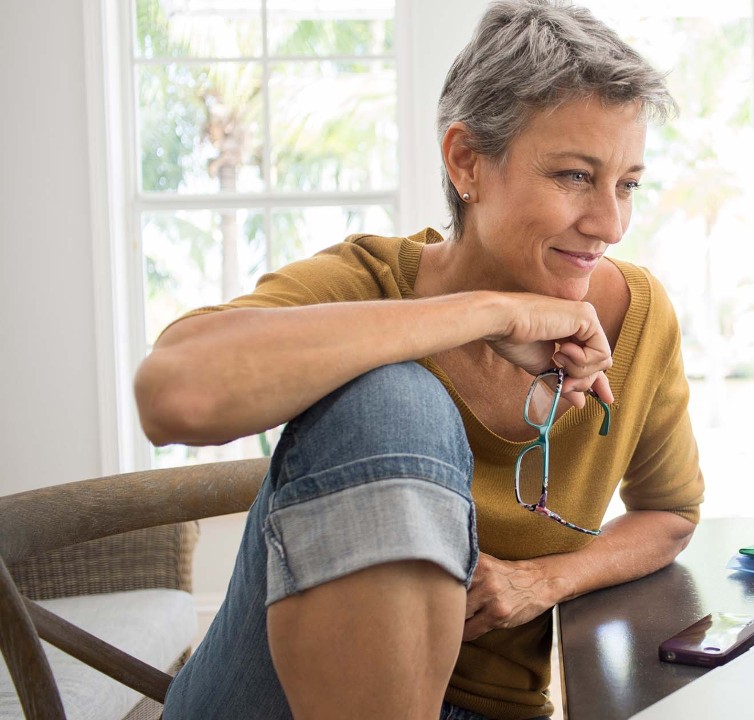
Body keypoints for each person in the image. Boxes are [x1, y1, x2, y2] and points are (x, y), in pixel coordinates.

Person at [135, 2, 704, 718]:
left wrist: (546, 580)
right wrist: (487, 313)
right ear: (466, 161)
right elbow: (172, 392)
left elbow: (671, 512)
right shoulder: (366, 282)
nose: (610, 224)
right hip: (277, 699)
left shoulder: (635, 319)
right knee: (391, 395)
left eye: (626, 184)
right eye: (573, 176)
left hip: (492, 707)